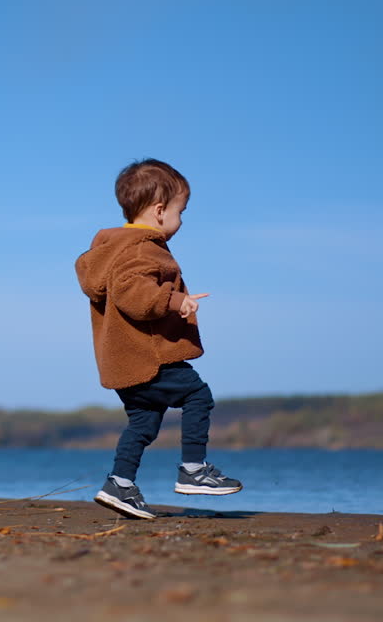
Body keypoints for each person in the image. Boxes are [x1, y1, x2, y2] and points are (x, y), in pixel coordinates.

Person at [75, 158, 242, 519]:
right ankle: (194, 470)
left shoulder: (112, 249)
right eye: (182, 212)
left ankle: (119, 484)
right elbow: (132, 293)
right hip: (149, 359)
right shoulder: (142, 248)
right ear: (160, 210)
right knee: (198, 395)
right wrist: (175, 300)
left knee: (143, 424)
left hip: (124, 363)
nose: (182, 221)